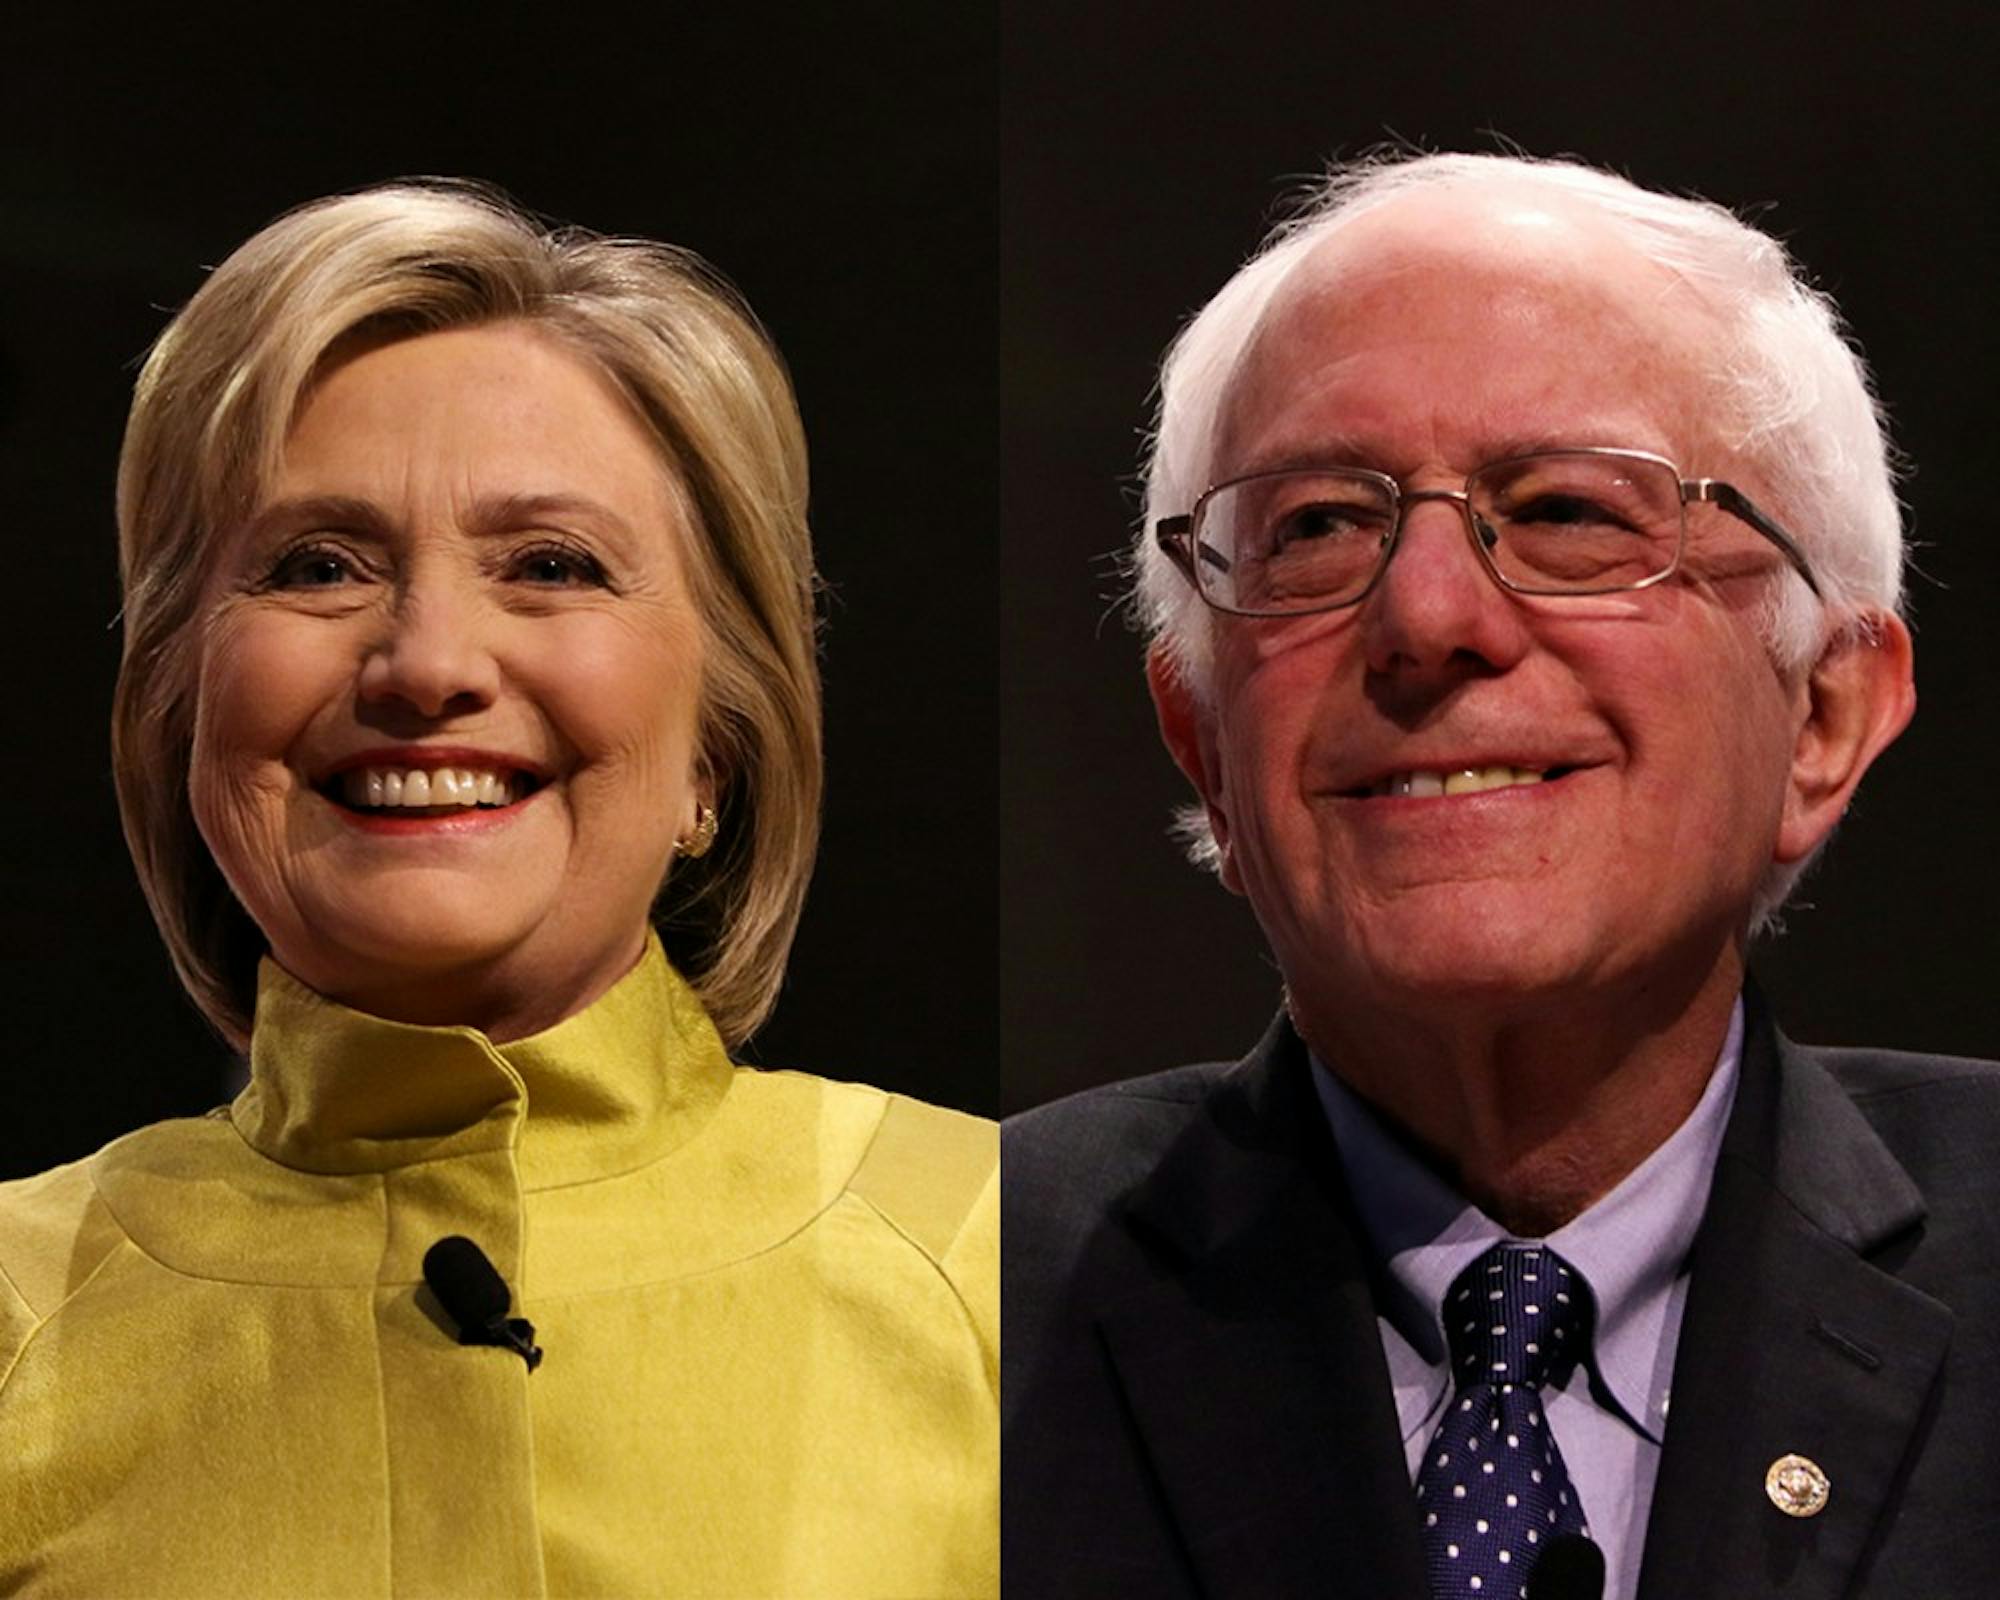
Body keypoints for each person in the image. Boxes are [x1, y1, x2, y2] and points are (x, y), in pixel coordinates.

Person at [1003, 151, 1998, 1600]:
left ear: (1826, 716)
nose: (1425, 614)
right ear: (1201, 738)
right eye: (1318, 527)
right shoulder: (953, 1300)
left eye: (1570, 513)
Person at [0, 182, 997, 1597]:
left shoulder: (1004, 1253)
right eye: (317, 565)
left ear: (718, 742)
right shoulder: (16, 1311)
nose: (426, 661)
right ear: (176, 711)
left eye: (550, 565)